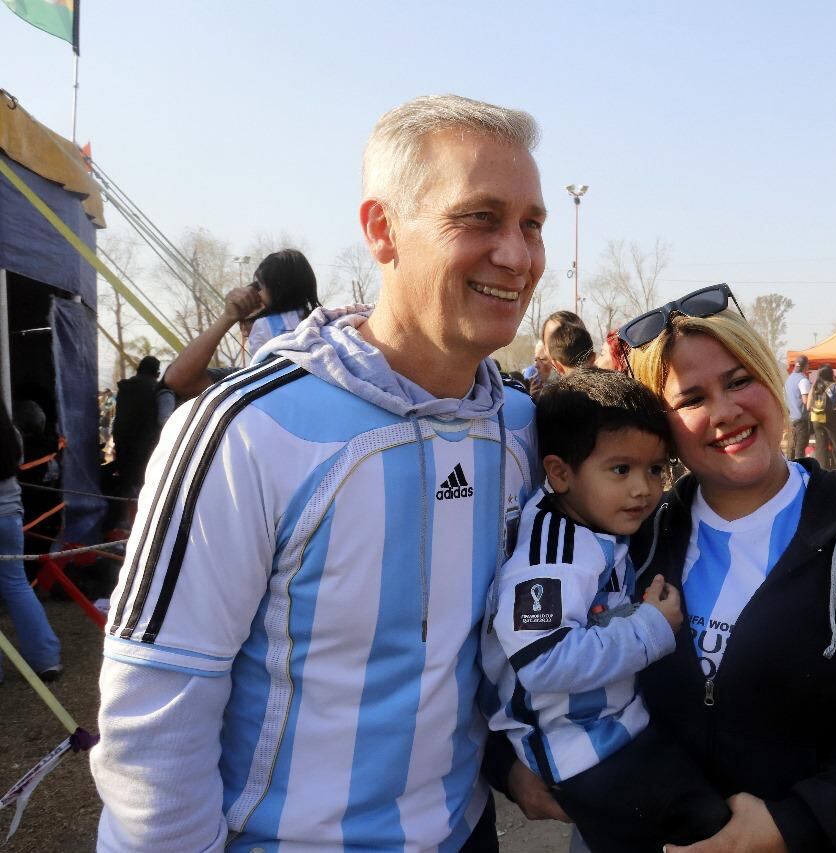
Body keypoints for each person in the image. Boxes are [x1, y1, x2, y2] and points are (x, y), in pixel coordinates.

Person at [92, 94, 557, 850]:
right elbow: (153, 715)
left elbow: (461, 660)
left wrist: (508, 763)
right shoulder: (243, 430)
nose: (517, 254)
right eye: (480, 217)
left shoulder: (518, 426)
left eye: (532, 225)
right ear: (382, 231)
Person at [621, 288, 836, 851]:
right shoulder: (638, 534)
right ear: (664, 426)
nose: (726, 411)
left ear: (770, 380)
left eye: (738, 381)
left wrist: (796, 823)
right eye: (692, 399)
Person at [483, 369, 730, 852]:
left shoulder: (595, 531)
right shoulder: (553, 555)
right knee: (705, 821)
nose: (643, 489)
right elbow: (541, 660)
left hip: (616, 734)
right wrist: (652, 628)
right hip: (579, 753)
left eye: (655, 470)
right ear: (559, 473)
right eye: (621, 470)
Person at [161, 251, 318, 402]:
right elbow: (179, 380)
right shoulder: (244, 382)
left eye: (262, 318)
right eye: (241, 321)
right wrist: (228, 317)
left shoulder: (324, 357)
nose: (245, 331)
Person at [0, 398, 62, 685]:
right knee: (17, 585)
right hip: (9, 514)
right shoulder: (10, 432)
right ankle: (46, 658)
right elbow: (19, 462)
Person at [243, 249, 321, 355]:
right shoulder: (318, 317)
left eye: (261, 287)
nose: (259, 294)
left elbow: (259, 364)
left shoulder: (263, 326)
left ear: (276, 290)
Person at [111, 355, 163, 502]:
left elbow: (120, 418)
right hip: (146, 445)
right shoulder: (156, 389)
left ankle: (122, 516)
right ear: (156, 372)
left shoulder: (125, 387)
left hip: (123, 441)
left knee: (125, 482)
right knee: (143, 484)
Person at [808, 365, 836, 474]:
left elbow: (807, 406)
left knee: (820, 446)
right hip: (831, 417)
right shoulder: (833, 386)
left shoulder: (814, 387)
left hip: (816, 418)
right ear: (830, 374)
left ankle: (822, 471)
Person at [783, 355, 811, 460]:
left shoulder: (788, 380)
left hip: (791, 418)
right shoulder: (803, 380)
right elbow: (805, 401)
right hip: (801, 418)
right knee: (800, 447)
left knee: (791, 447)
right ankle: (800, 471)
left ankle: (789, 468)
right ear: (806, 366)